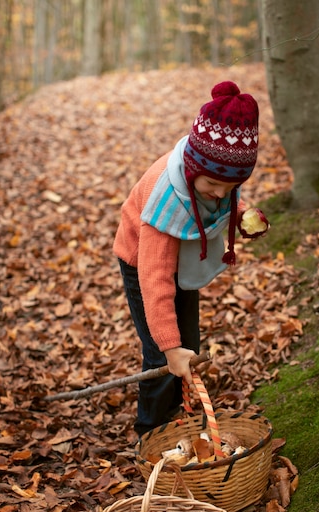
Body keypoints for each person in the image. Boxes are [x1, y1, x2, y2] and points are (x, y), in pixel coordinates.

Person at [113, 80, 265, 437]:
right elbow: (155, 282)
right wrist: (169, 346)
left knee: (188, 346)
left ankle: (176, 410)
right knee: (162, 351)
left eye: (229, 189)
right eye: (214, 186)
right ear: (195, 168)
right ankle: (150, 429)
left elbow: (221, 199)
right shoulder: (164, 205)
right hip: (142, 262)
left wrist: (240, 213)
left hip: (177, 258)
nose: (220, 194)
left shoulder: (212, 176)